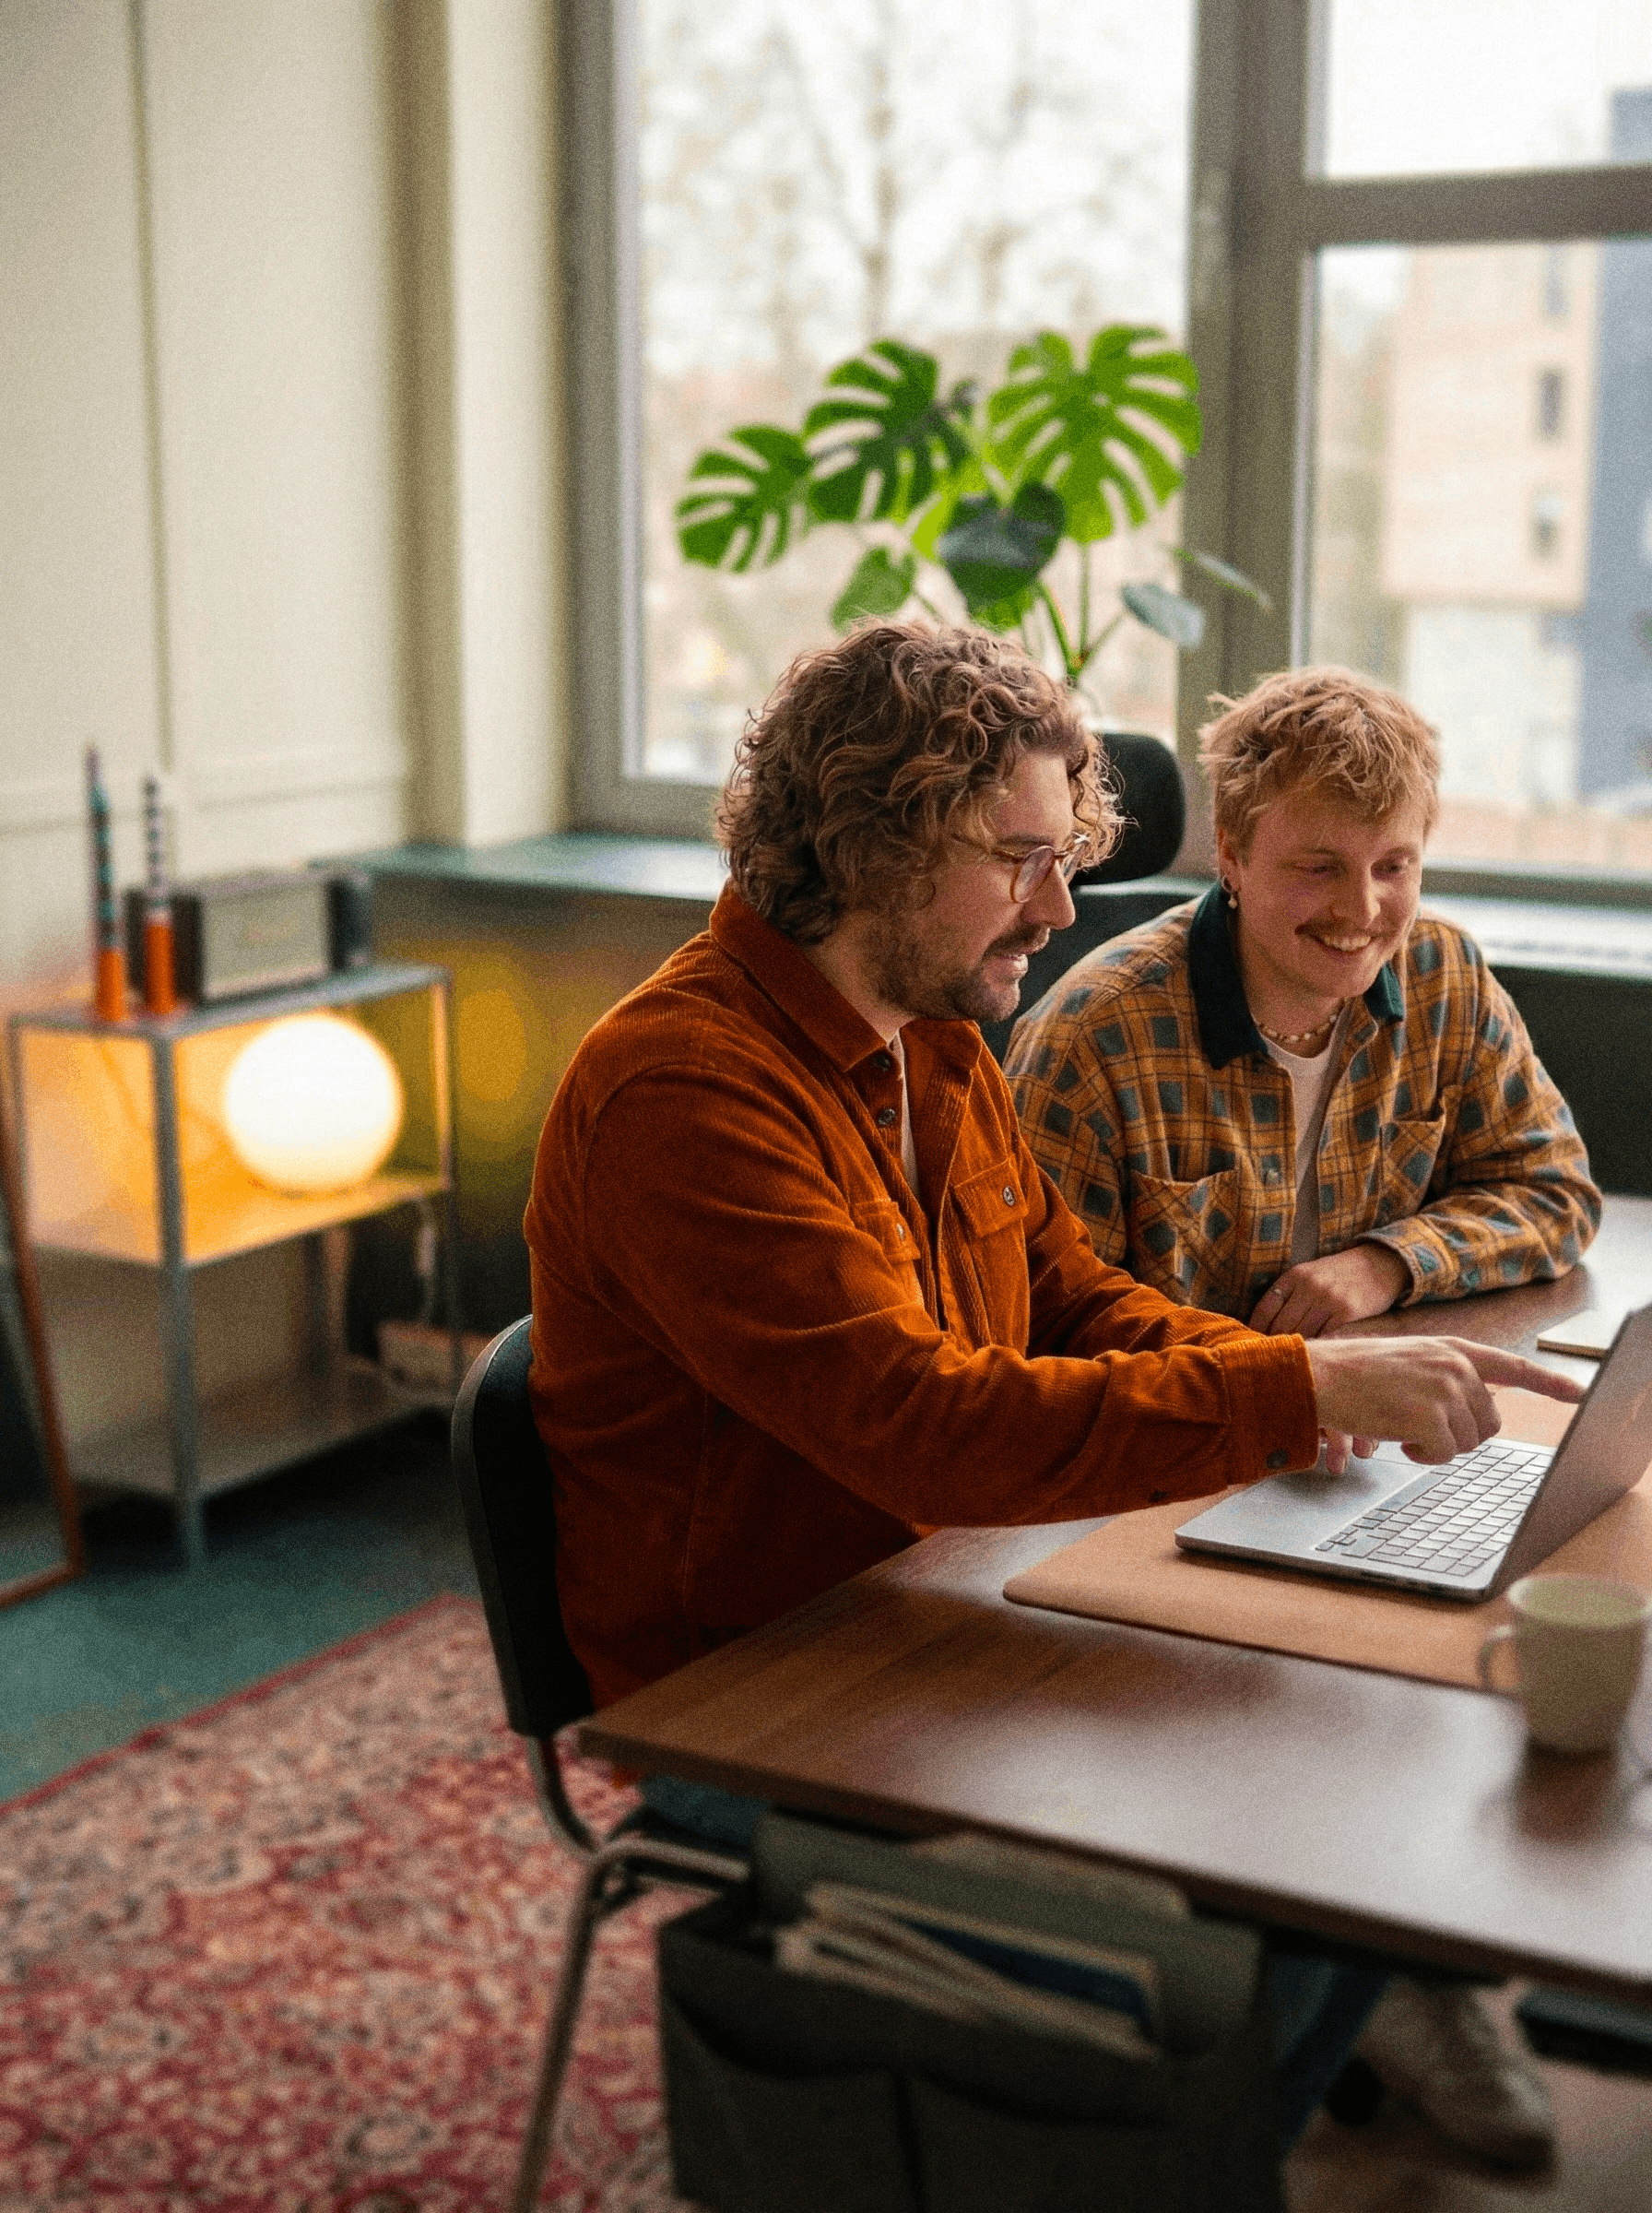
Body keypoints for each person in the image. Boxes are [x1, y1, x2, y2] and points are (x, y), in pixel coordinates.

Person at [524, 622, 1581, 2150]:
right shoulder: (685, 1094)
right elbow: (927, 1433)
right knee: (1308, 1899)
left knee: (1376, 1776)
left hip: (942, 1602)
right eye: (1019, 856)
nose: (1062, 903)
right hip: (755, 1691)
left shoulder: (934, 1032)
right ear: (871, 845)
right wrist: (1287, 1392)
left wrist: (1322, 1375)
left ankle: (1208, 2097)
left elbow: (1071, 1301)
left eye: (1062, 852)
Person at [1005, 662, 1601, 2169]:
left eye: (1395, 864)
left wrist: (1384, 1260)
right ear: (1235, 854)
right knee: (1344, 1700)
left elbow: (1554, 1188)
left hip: (1357, 1455)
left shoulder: (1443, 979)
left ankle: (1412, 1966)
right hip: (1152, 1491)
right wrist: (1268, 1394)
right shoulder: (1095, 1038)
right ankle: (1363, 1986)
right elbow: (1032, 1343)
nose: (1365, 908)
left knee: (1505, 1618)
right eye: (1319, 868)